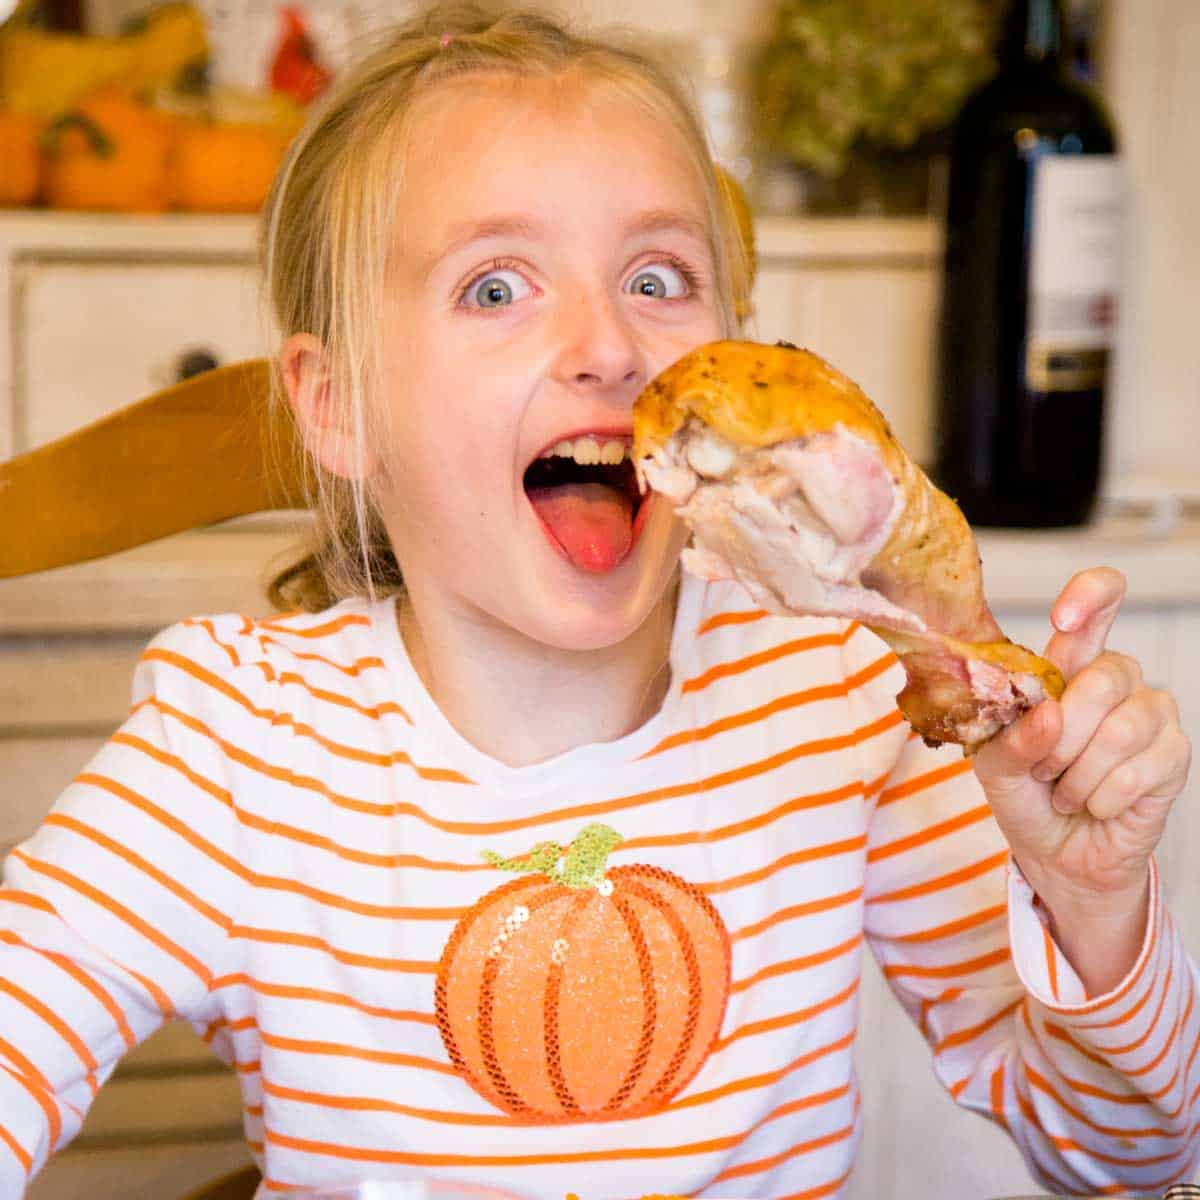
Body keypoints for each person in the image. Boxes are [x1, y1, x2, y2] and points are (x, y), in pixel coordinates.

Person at [1, 5, 1196, 1198]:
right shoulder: (237, 747)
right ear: (340, 405)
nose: (609, 344)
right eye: (496, 287)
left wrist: (1097, 912)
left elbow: (1128, 1154)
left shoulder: (835, 701)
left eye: (657, 277)